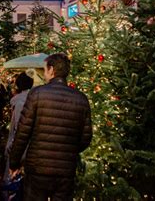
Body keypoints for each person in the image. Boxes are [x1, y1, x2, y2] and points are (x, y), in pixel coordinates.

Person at [9, 53, 93, 201]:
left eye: (45, 69)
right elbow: (86, 138)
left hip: (37, 168)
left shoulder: (37, 94)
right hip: (65, 171)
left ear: (51, 70)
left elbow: (23, 132)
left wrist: (14, 162)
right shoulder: (81, 99)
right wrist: (67, 150)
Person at [3, 72, 34, 186]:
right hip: (29, 148)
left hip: (19, 148)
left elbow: (18, 128)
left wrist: (11, 147)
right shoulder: (32, 99)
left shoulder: (20, 102)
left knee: (13, 181)